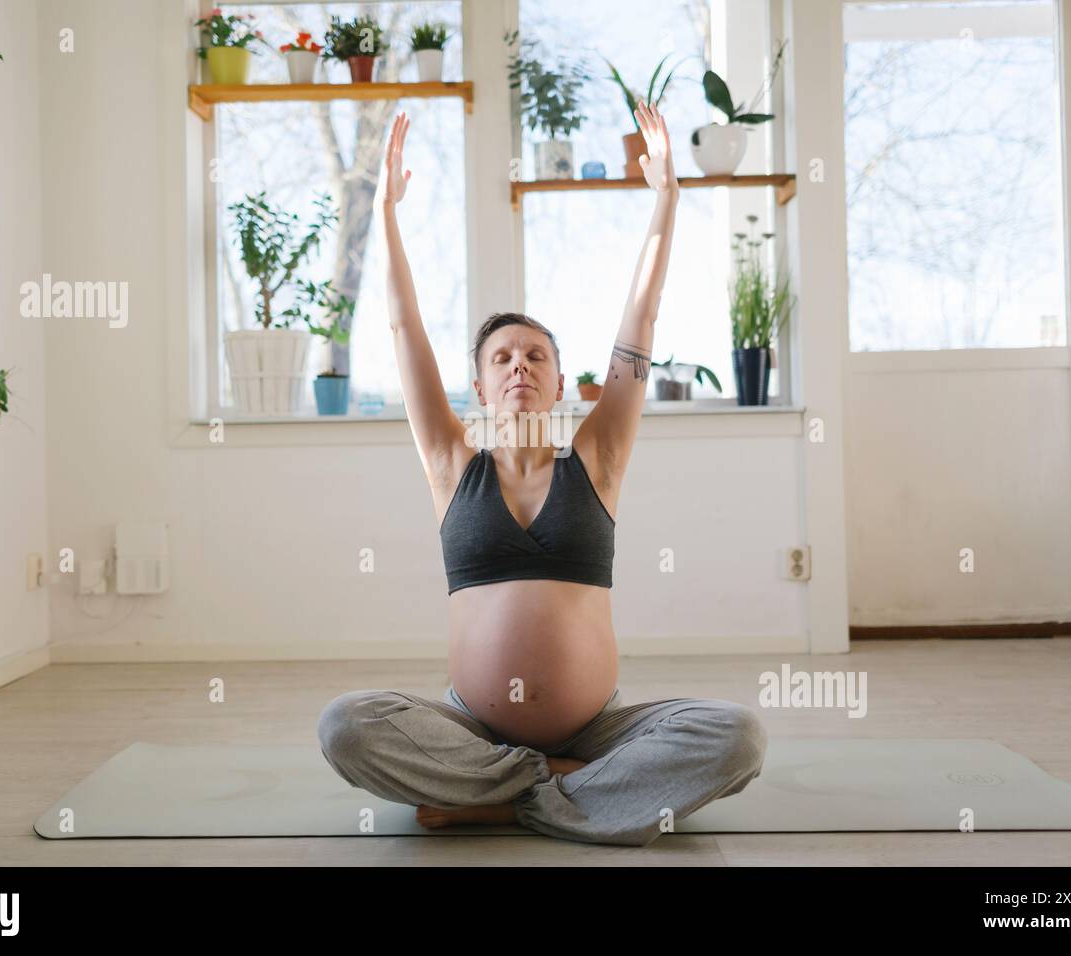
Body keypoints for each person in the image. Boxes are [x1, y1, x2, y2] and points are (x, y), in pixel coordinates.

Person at [317, 104, 767, 847]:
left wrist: (666, 200)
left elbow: (643, 320)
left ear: (561, 385)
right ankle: (567, 793)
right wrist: (388, 212)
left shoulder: (598, 460)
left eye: (536, 357)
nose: (519, 365)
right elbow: (402, 330)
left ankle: (505, 797)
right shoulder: (450, 464)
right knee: (347, 725)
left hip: (598, 729)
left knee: (739, 736)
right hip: (470, 726)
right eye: (502, 357)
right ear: (480, 389)